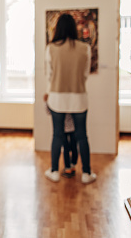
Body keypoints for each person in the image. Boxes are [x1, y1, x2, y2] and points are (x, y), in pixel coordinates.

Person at [44, 13, 96, 184]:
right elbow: (85, 75)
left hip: (57, 98)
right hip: (79, 98)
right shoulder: (85, 48)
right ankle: (87, 173)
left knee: (57, 136)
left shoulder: (51, 48)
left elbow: (50, 76)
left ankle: (54, 171)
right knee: (82, 137)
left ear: (57, 28)